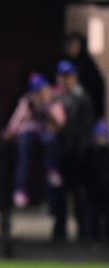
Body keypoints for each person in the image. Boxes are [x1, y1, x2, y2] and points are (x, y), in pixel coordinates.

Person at [2, 72, 66, 208]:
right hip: (29, 132)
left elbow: (61, 120)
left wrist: (48, 109)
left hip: (44, 131)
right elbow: (18, 117)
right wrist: (10, 130)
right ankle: (20, 189)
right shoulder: (28, 100)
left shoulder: (52, 100)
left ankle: (52, 170)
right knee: (24, 155)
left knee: (50, 141)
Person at [51, 60, 94, 242]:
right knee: (59, 193)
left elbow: (85, 127)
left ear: (75, 78)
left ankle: (84, 232)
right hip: (60, 154)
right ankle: (60, 232)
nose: (64, 80)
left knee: (79, 194)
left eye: (68, 77)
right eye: (62, 77)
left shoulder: (82, 98)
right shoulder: (56, 100)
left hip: (77, 154)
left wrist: (76, 146)